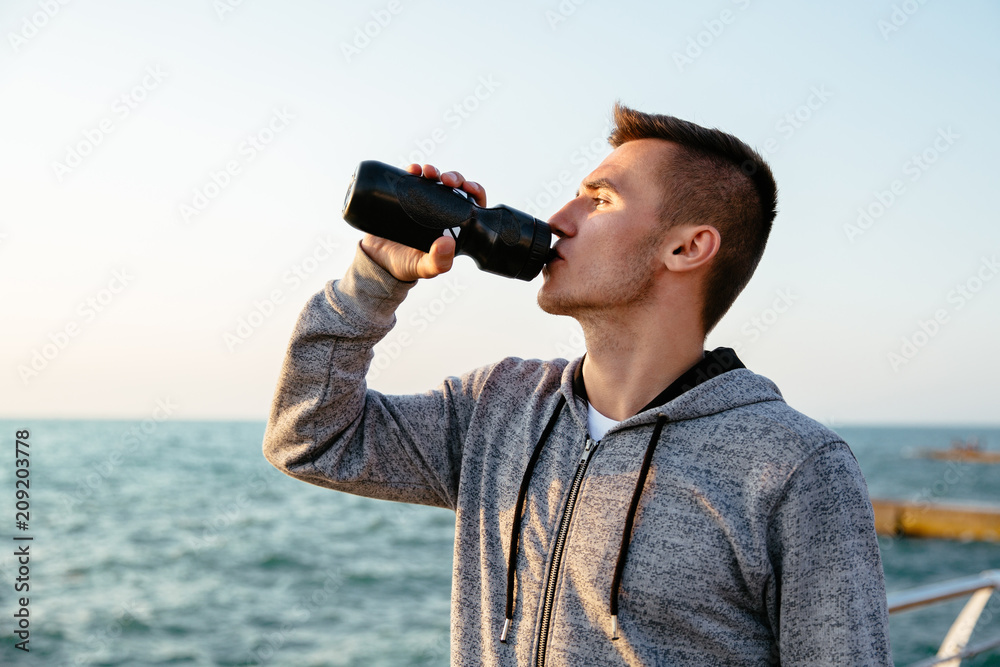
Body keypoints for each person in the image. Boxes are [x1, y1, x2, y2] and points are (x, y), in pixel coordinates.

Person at [263, 103, 892, 665]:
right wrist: (374, 279)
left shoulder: (795, 467)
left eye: (600, 200)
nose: (559, 219)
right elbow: (310, 439)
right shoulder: (499, 406)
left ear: (687, 248)